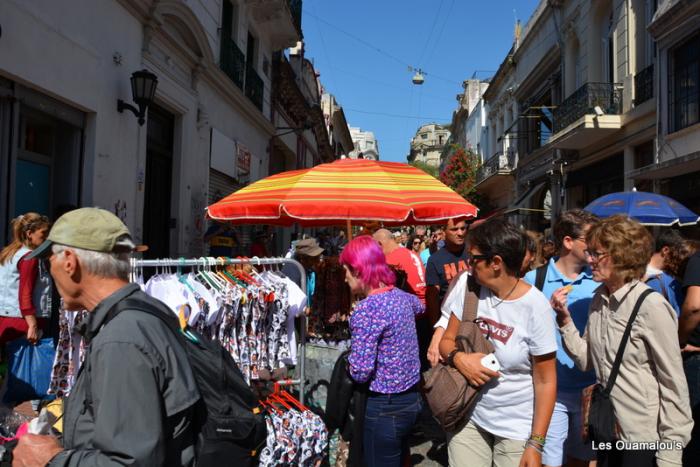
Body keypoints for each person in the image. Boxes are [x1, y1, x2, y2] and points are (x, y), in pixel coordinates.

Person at [13, 207, 200, 466]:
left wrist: (52, 460)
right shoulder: (142, 315)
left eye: (50, 260)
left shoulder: (122, 339)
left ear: (69, 261)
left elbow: (129, 461)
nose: (50, 270)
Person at [552, 215, 693, 467]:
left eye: (597, 254)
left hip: (642, 438)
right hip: (607, 430)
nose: (590, 259)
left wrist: (671, 452)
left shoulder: (650, 305)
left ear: (622, 256)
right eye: (590, 252)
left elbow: (674, 383)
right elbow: (586, 361)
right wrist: (565, 321)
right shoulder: (599, 299)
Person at [438, 218, 557, 467]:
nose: (469, 265)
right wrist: (460, 359)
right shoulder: (467, 287)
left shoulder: (535, 307)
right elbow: (446, 341)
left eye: (474, 259)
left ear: (496, 263)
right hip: (468, 414)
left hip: (516, 428)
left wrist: (536, 444)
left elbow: (545, 380)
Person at [523, 210, 599, 467]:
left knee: (582, 459)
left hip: (590, 389)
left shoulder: (599, 280)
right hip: (551, 392)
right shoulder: (535, 280)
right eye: (590, 239)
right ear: (568, 241)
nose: (596, 246)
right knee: (549, 462)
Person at [339, 236, 423, 467]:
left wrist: (347, 361)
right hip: (412, 401)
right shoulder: (401, 298)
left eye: (346, 270)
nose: (344, 277)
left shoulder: (367, 310)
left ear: (357, 271)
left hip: (385, 408)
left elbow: (361, 371)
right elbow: (420, 306)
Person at [0, 213, 51, 346]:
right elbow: (25, 294)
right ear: (29, 233)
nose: (47, 238)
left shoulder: (10, 253)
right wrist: (33, 325)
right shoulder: (30, 258)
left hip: (6, 319)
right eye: (43, 233)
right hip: (22, 324)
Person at [426, 218, 468, 367]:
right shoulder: (435, 260)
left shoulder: (474, 253)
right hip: (448, 324)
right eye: (455, 229)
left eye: (463, 228)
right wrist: (435, 328)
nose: (460, 233)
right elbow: (432, 297)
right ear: (444, 233)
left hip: (472, 321)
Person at [680, 246, 700, 466]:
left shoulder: (698, 260)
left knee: (693, 435)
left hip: (695, 358)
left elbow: (694, 306)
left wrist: (679, 340)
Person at [372, 229, 426, 303]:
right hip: (426, 302)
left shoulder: (390, 259)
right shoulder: (411, 253)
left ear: (379, 244)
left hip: (410, 306)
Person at [646, 229, 686, 317]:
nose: (682, 258)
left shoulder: (634, 271)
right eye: (680, 252)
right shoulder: (671, 283)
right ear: (665, 250)